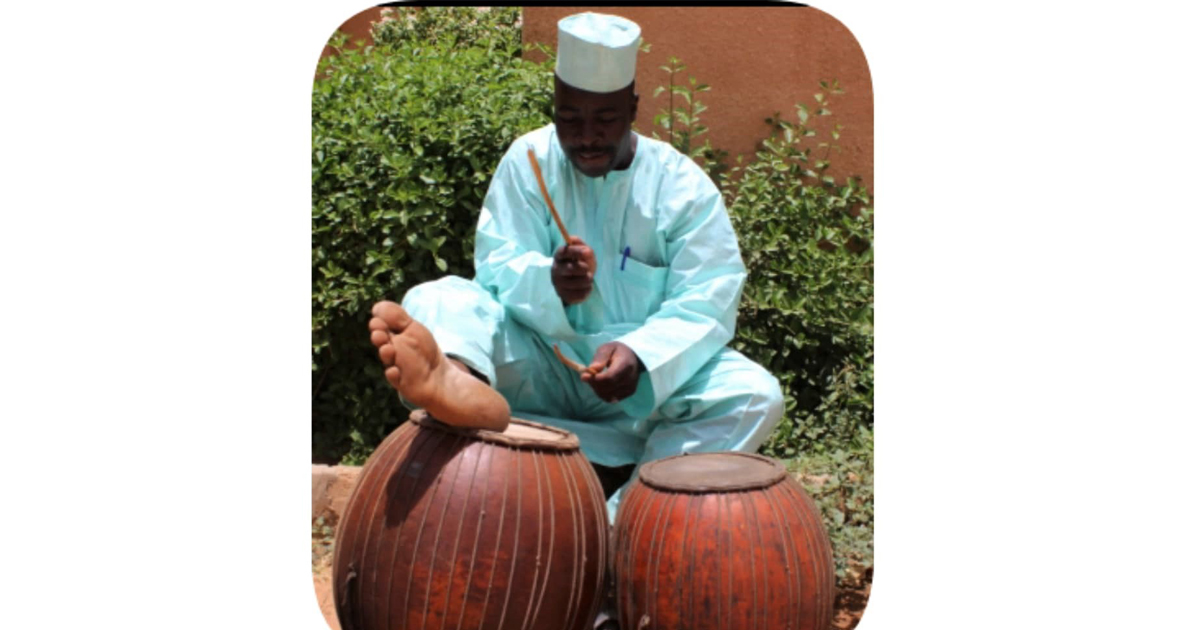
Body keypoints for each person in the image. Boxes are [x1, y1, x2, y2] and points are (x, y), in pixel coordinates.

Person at [368, 12, 784, 523]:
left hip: (640, 393)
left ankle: (624, 526)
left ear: (632, 107)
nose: (586, 137)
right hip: (542, 364)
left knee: (753, 395)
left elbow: (710, 295)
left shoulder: (682, 187)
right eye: (571, 119)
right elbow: (496, 265)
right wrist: (550, 282)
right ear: (555, 108)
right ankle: (456, 381)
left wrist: (642, 352)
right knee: (440, 297)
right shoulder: (528, 160)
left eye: (605, 119)